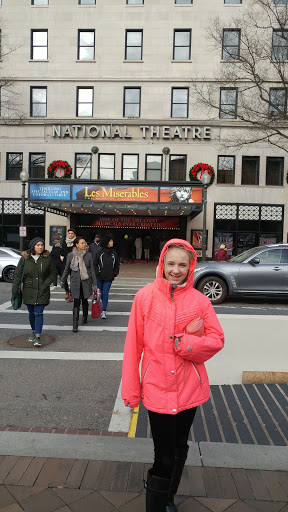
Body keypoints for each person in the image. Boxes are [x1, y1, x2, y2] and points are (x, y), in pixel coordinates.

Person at [121, 239, 224, 512]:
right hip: (157, 389)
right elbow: (133, 347)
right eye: (171, 264)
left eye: (182, 264)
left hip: (190, 389)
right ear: (162, 264)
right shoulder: (144, 297)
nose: (175, 270)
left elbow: (216, 340)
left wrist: (187, 342)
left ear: (191, 267)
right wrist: (132, 391)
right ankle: (157, 505)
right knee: (163, 457)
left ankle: (168, 498)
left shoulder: (200, 301)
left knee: (180, 447)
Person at [11, 237, 56, 348]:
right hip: (28, 290)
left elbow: (53, 273)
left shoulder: (47, 258)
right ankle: (33, 330)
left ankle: (38, 336)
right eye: (38, 245)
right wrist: (14, 289)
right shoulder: (25, 259)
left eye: (42, 245)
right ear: (33, 246)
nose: (40, 247)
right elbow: (18, 274)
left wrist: (45, 285)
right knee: (31, 313)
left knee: (38, 313)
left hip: (42, 290)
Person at [61, 236, 97, 332]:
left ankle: (84, 317)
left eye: (84, 243)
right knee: (76, 302)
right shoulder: (70, 255)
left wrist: (95, 283)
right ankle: (75, 324)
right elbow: (67, 269)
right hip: (75, 282)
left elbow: (92, 270)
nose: (84, 244)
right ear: (76, 245)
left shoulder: (88, 255)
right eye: (82, 243)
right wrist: (62, 280)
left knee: (85, 301)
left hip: (86, 282)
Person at [95, 235, 120, 319]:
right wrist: (97, 272)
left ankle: (104, 311)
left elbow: (117, 264)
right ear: (106, 242)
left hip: (109, 277)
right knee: (101, 293)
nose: (112, 242)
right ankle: (101, 307)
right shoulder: (99, 252)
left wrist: (115, 273)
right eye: (110, 241)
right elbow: (95, 263)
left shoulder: (114, 253)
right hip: (99, 276)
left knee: (105, 293)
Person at [62, 228, 77, 302]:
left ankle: (71, 294)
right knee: (64, 277)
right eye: (69, 233)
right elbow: (62, 252)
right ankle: (67, 290)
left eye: (72, 233)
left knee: (73, 279)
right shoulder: (64, 242)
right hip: (65, 262)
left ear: (74, 234)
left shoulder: (76, 242)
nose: (70, 235)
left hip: (74, 263)